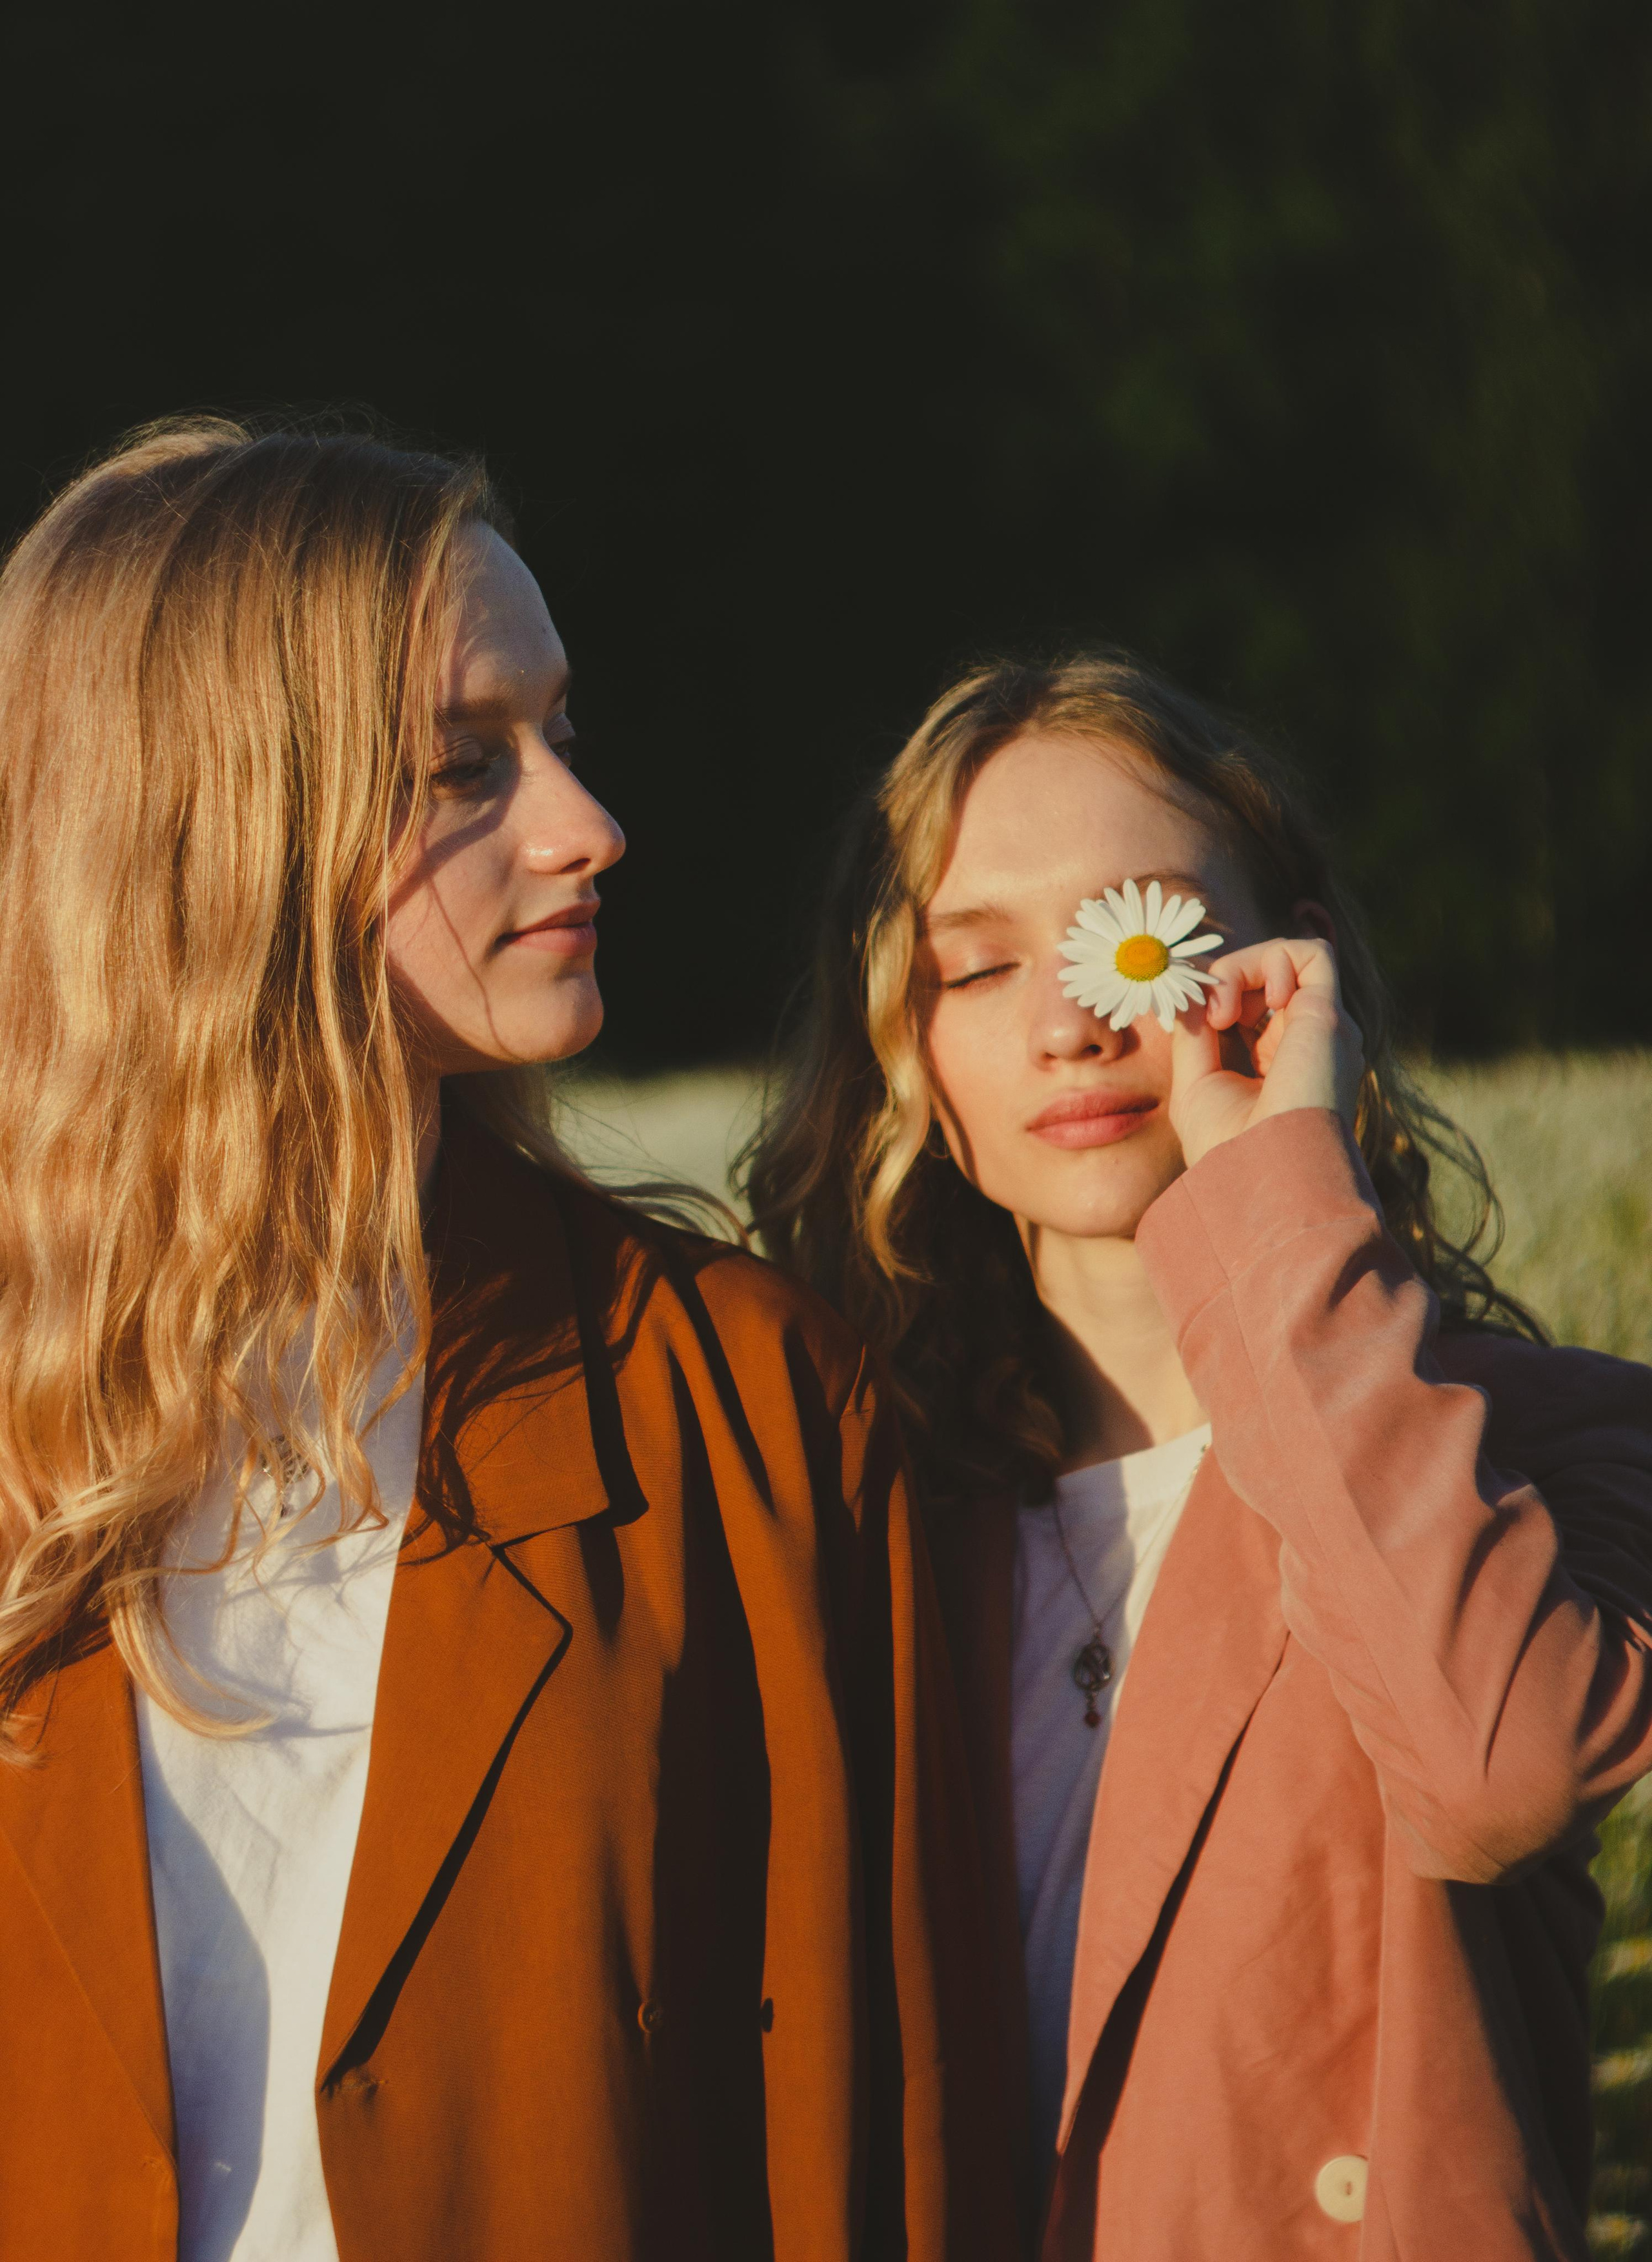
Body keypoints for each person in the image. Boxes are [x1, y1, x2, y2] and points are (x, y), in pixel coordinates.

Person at [0, 419, 1014, 2262]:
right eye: (466, 765)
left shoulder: (746, 1413)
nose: (586, 826)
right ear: (211, 825)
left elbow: (898, 2138)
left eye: (559, 738)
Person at [743, 652, 1652, 2259]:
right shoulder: (864, 1525)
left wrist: (1273, 1192)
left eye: (1142, 931)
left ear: (1286, 975)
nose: (1078, 1019)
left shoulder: (1554, 1440)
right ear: (904, 1043)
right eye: (975, 967)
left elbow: (1492, 1767)